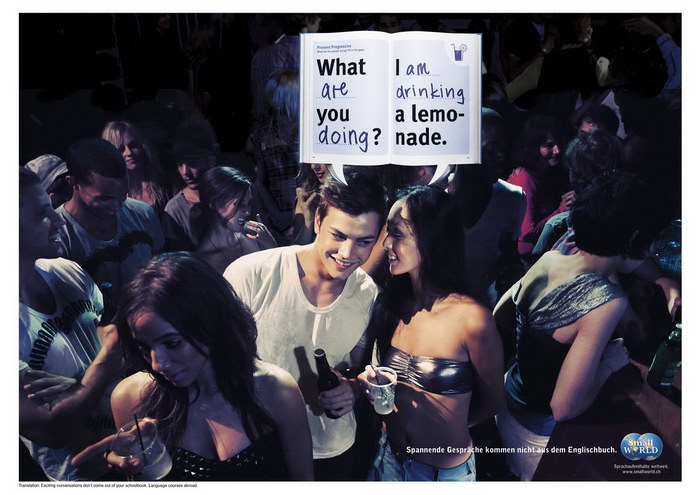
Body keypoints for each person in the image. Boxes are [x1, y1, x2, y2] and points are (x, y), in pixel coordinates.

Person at [73, 252, 314, 481]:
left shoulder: (275, 391)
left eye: (172, 343)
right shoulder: (131, 398)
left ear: (212, 325)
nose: (157, 364)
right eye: (144, 347)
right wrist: (134, 474)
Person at [493, 171, 668, 480]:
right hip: (536, 432)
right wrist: (608, 364)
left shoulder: (551, 259)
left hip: (507, 400)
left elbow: (501, 315)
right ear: (634, 239)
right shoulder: (607, 301)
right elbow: (563, 408)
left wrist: (539, 346)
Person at [224, 175, 386, 480]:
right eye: (338, 235)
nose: (347, 253)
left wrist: (351, 389)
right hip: (257, 443)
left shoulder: (369, 295)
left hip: (330, 448)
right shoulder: (251, 273)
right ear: (319, 220)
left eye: (364, 242)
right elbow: (216, 365)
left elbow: (360, 370)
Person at [359, 185, 504, 481]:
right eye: (387, 232)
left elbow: (491, 402)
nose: (386, 243)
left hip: (442, 474)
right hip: (389, 459)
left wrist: (446, 432)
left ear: (432, 238)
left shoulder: (472, 319)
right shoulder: (392, 305)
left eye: (397, 233)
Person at [19, 167, 122, 481]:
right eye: (42, 215)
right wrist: (104, 366)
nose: (59, 220)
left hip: (132, 439)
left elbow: (122, 341)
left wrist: (76, 389)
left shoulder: (66, 271)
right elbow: (50, 428)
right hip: (85, 475)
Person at [56, 138, 164, 307]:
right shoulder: (56, 235)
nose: (116, 207)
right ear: (73, 183)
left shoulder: (143, 214)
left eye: (122, 195)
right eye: (104, 199)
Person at [452, 109, 526, 308]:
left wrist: (512, 270)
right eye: (491, 150)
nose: (501, 157)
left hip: (485, 312)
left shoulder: (513, 198)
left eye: (504, 149)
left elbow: (508, 254)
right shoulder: (433, 199)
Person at [507, 116, 573, 257]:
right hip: (527, 258)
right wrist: (561, 210)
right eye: (549, 146)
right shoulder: (524, 178)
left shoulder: (547, 173)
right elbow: (527, 233)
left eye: (559, 143)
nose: (557, 150)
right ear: (533, 148)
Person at [191, 166, 277, 273]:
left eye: (248, 203)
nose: (247, 212)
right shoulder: (202, 260)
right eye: (239, 204)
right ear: (214, 204)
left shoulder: (255, 238)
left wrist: (270, 245)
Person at [250, 70, 301, 242]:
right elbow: (261, 181)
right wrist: (276, 214)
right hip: (277, 218)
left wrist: (295, 215)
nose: (273, 100)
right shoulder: (263, 133)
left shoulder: (310, 131)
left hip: (308, 214)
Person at [162, 119, 219, 251]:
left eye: (192, 163)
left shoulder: (233, 194)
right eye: (179, 164)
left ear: (211, 161)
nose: (185, 172)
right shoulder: (174, 209)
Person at [101, 120, 171, 213]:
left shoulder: (167, 185)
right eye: (121, 149)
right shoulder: (111, 197)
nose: (129, 153)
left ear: (142, 147)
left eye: (133, 145)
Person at [291, 163, 328, 245]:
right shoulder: (307, 199)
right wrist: (309, 219)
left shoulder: (356, 195)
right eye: (311, 160)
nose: (313, 166)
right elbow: (299, 248)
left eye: (320, 159)